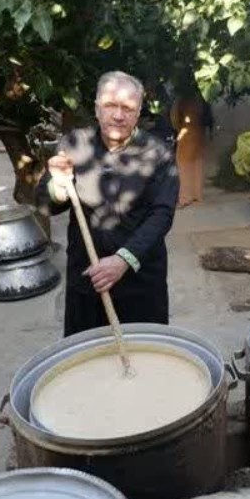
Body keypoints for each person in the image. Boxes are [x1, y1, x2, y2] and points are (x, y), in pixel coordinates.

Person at [37, 71, 179, 336]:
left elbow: (162, 214)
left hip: (140, 279)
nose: (118, 115)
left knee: (145, 353)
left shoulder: (158, 153)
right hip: (88, 277)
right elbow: (46, 204)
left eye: (128, 108)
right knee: (86, 356)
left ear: (138, 113)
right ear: (97, 108)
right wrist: (58, 185)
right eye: (110, 105)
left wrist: (122, 260)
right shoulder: (75, 145)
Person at [171, 95, 208, 208]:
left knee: (183, 164)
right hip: (200, 131)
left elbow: (175, 117)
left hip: (186, 130)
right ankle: (197, 194)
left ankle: (185, 197)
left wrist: (178, 130)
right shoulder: (200, 98)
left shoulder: (182, 98)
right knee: (198, 162)